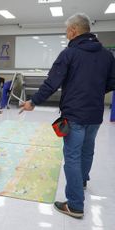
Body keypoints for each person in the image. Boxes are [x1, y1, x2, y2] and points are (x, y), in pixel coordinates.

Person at [20, 13, 115, 218]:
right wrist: (95, 92)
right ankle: (81, 182)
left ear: (73, 30)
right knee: (87, 151)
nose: (66, 34)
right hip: (95, 114)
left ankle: (75, 205)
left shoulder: (69, 53)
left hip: (74, 114)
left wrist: (33, 101)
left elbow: (51, 83)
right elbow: (112, 82)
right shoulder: (107, 55)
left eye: (66, 30)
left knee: (72, 156)